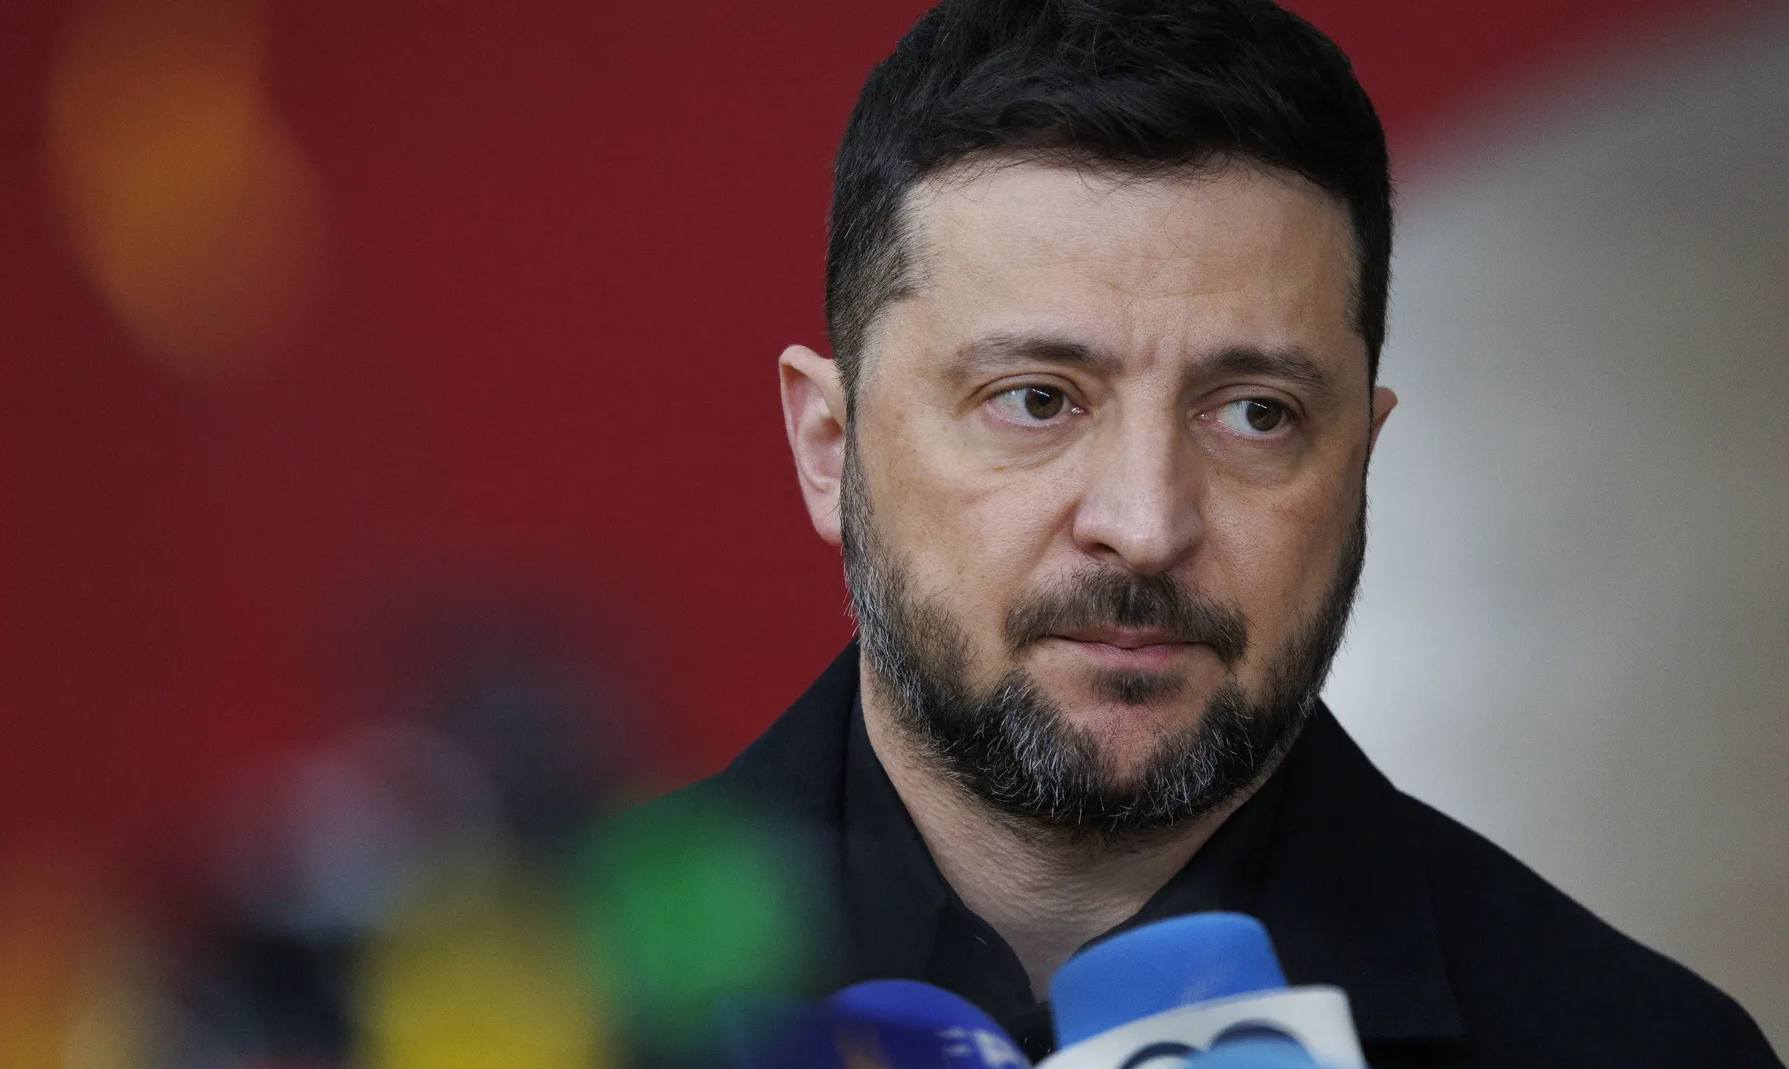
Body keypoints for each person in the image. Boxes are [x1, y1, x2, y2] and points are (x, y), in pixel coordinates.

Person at [650, 0, 1783, 1064]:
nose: (1144, 526)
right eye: (1036, 399)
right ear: (829, 447)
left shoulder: (1641, 1046)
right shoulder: (545, 1007)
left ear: (1360, 462)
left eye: (1255, 414)